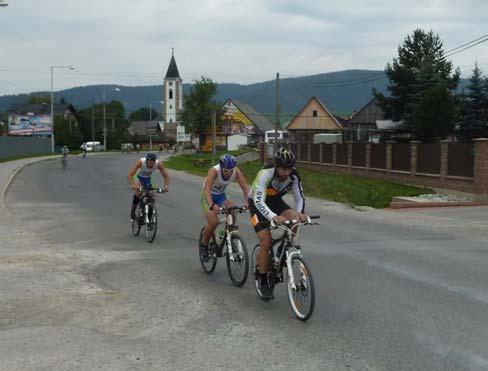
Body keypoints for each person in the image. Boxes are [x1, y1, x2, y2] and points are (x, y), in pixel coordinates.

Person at [248, 147, 308, 299]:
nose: (287, 172)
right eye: (283, 169)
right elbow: (258, 201)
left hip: (275, 201)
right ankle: (262, 279)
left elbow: (299, 198)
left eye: (289, 168)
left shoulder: (293, 175)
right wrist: (273, 217)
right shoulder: (265, 174)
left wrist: (300, 214)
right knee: (266, 242)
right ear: (276, 166)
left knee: (294, 220)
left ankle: (284, 250)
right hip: (257, 204)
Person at [200, 154, 249, 262]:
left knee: (233, 210)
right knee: (213, 222)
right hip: (208, 196)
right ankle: (204, 245)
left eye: (231, 170)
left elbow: (245, 186)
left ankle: (227, 235)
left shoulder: (236, 171)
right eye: (226, 170)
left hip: (221, 195)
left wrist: (248, 202)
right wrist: (212, 205)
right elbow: (207, 188)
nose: (229, 173)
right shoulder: (214, 170)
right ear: (221, 167)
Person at [127, 152, 170, 221]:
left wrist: (166, 186)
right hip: (138, 177)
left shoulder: (158, 164)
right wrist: (133, 185)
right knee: (139, 193)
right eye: (150, 162)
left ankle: (149, 218)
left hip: (147, 179)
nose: (151, 164)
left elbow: (166, 176)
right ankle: (133, 210)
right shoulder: (141, 162)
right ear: (146, 160)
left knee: (152, 195)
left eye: (153, 162)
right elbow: (129, 175)